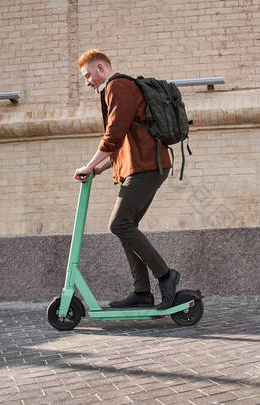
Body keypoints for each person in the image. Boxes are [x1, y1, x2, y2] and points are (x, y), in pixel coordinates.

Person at [73, 49, 179, 310]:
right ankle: (142, 292)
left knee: (119, 224)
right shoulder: (120, 88)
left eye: (88, 75)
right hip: (144, 165)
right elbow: (128, 141)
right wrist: (100, 168)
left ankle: (166, 276)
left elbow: (114, 134)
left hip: (146, 167)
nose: (87, 82)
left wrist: (89, 164)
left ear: (101, 69)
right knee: (126, 226)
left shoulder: (116, 86)